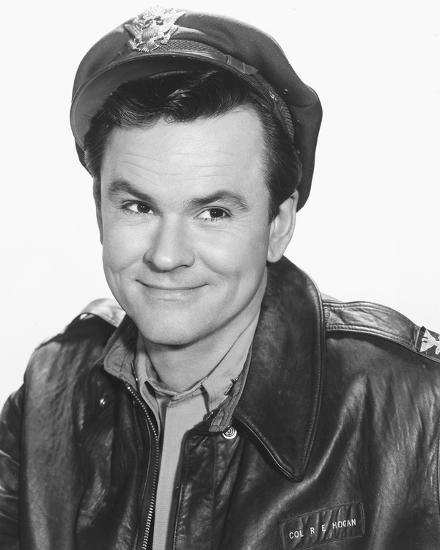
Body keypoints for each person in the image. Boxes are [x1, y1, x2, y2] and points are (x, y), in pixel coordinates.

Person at [1, 6, 439, 549]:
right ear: (99, 213)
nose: (167, 256)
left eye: (213, 213)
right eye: (138, 206)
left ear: (278, 226)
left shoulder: (416, 406)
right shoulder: (48, 392)